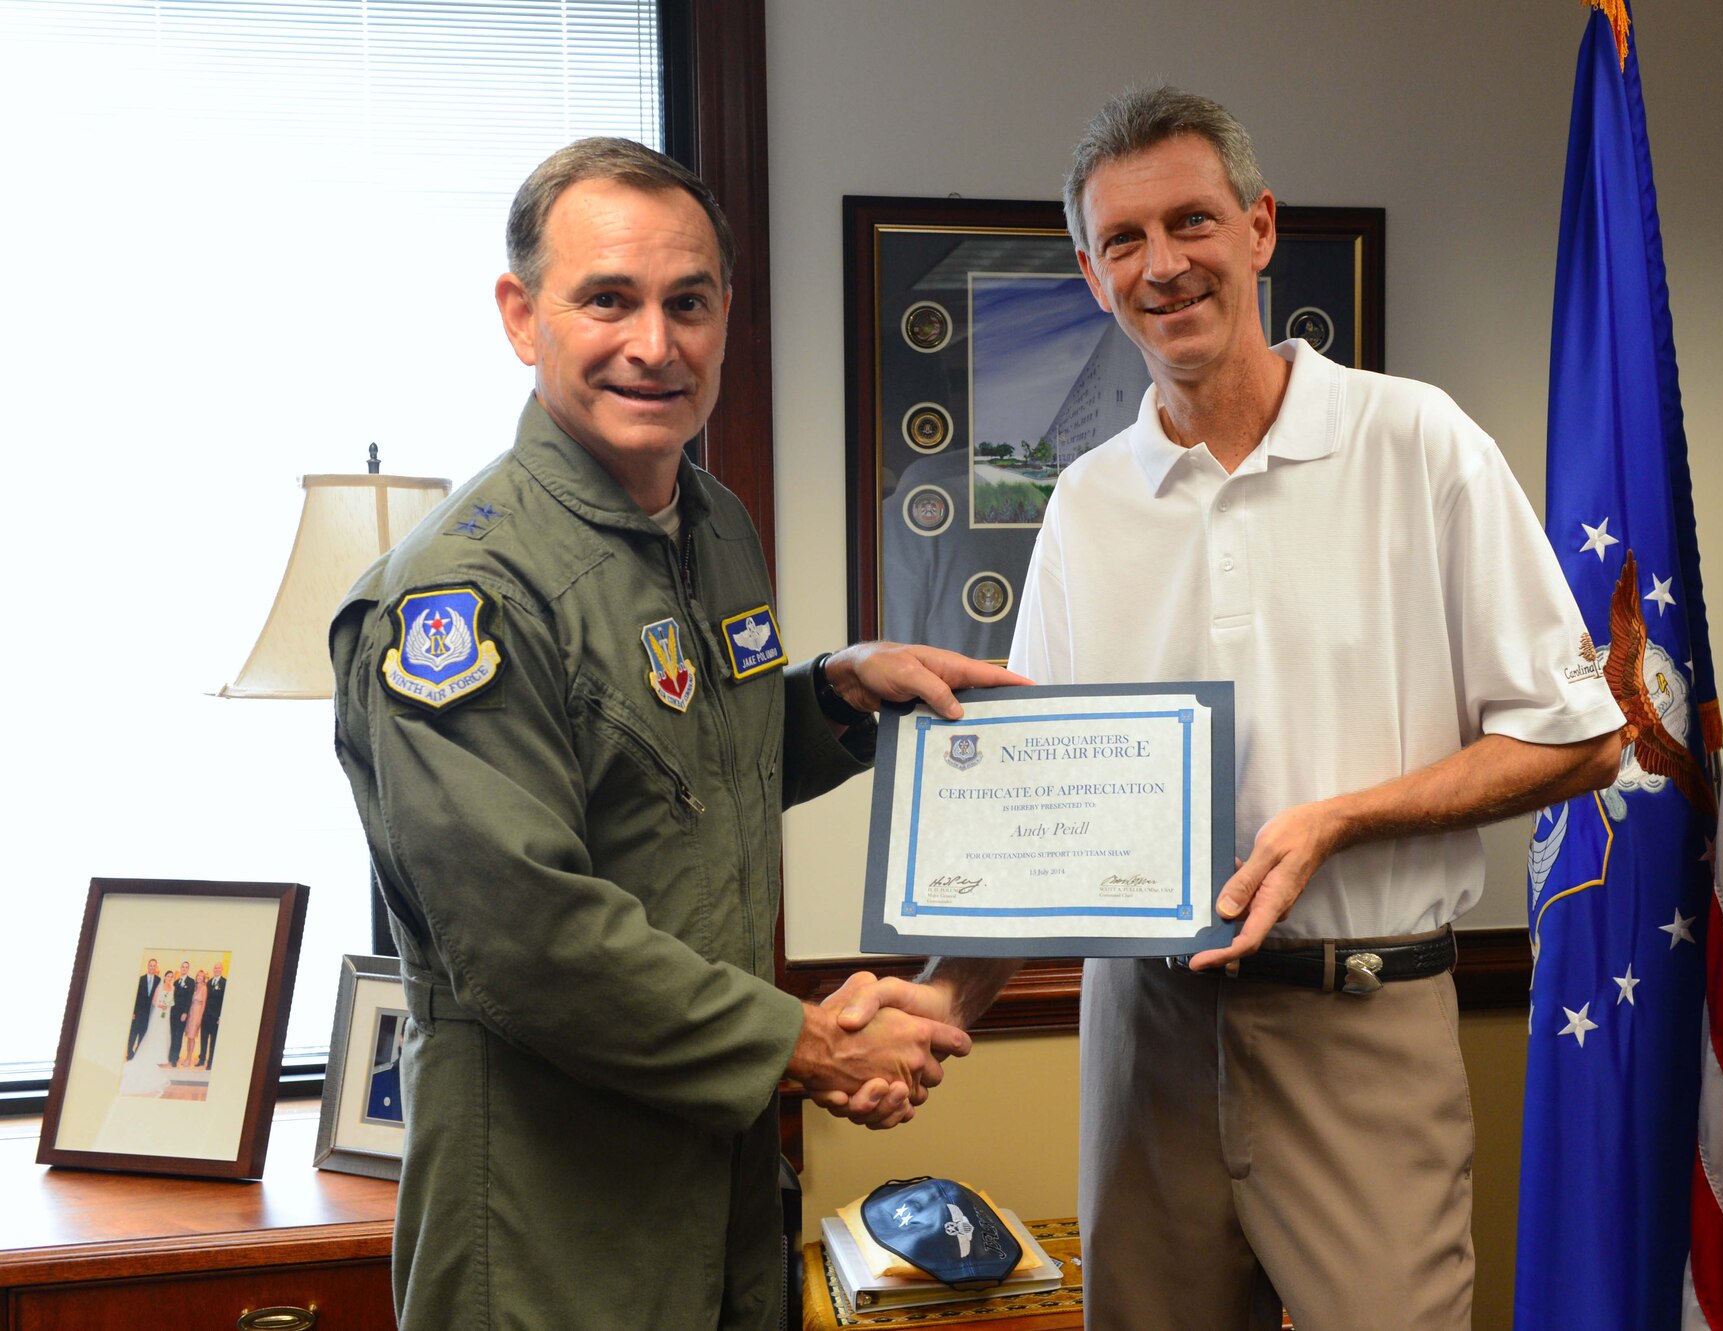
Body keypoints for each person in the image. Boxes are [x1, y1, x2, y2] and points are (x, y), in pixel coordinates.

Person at [828, 88, 1626, 1329]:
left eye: (1191, 221)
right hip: (1144, 1033)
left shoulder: (1417, 443)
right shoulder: (1088, 501)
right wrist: (940, 998)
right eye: (1124, 242)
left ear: (1258, 228)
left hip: (1361, 1016)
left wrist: (1338, 822)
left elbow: (1583, 733)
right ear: (1093, 276)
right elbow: (1044, 817)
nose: (1164, 265)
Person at [329, 136, 1023, 1331]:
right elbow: (531, 937)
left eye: (686, 303)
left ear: (723, 317)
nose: (655, 344)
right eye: (608, 299)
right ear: (520, 313)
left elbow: (687, 769)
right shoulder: (461, 595)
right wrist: (807, 1044)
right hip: (555, 1227)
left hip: (725, 1193)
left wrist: (839, 692)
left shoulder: (711, 522)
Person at [118, 976, 173, 1097]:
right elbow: (154, 1001)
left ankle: (161, 1056)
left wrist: (167, 1005)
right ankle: (133, 1052)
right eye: (168, 976)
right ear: (165, 977)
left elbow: (172, 1001)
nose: (169, 978)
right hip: (156, 1012)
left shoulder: (171, 987)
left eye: (171, 976)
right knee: (149, 1033)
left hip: (166, 1014)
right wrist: (161, 1005)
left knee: (163, 1035)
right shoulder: (152, 983)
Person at [127, 958, 161, 1060]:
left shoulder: (159, 980)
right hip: (138, 1012)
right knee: (133, 1033)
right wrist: (132, 1012)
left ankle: (137, 1053)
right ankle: (129, 1052)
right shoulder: (140, 979)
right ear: (147, 966)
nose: (152, 967)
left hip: (149, 1014)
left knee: (143, 1034)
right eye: (150, 965)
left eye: (154, 966)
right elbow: (134, 996)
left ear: (156, 967)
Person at [198, 960, 226, 1068]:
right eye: (215, 968)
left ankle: (210, 1062)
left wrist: (221, 1016)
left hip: (216, 1017)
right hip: (206, 1016)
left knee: (213, 1041)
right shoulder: (209, 982)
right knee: (203, 1039)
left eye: (219, 968)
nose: (217, 970)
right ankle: (201, 1059)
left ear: (221, 969)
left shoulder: (225, 982)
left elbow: (225, 1001)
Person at [180, 969, 209, 1068]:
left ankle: (189, 1058)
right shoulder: (194, 986)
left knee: (192, 1037)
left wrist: (200, 1017)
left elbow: (204, 1003)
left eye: (201, 976)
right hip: (190, 1012)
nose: (199, 977)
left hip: (197, 1013)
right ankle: (188, 1057)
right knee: (189, 1037)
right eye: (198, 976)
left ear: (204, 978)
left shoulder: (204, 988)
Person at [166, 961, 193, 1067]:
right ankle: (171, 1055)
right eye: (183, 967)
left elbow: (189, 999)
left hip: (182, 1014)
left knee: (179, 1036)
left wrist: (185, 1012)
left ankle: (175, 1058)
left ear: (188, 969)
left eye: (186, 967)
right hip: (173, 1013)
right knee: (173, 1034)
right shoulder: (176, 982)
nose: (184, 969)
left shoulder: (191, 982)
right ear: (180, 968)